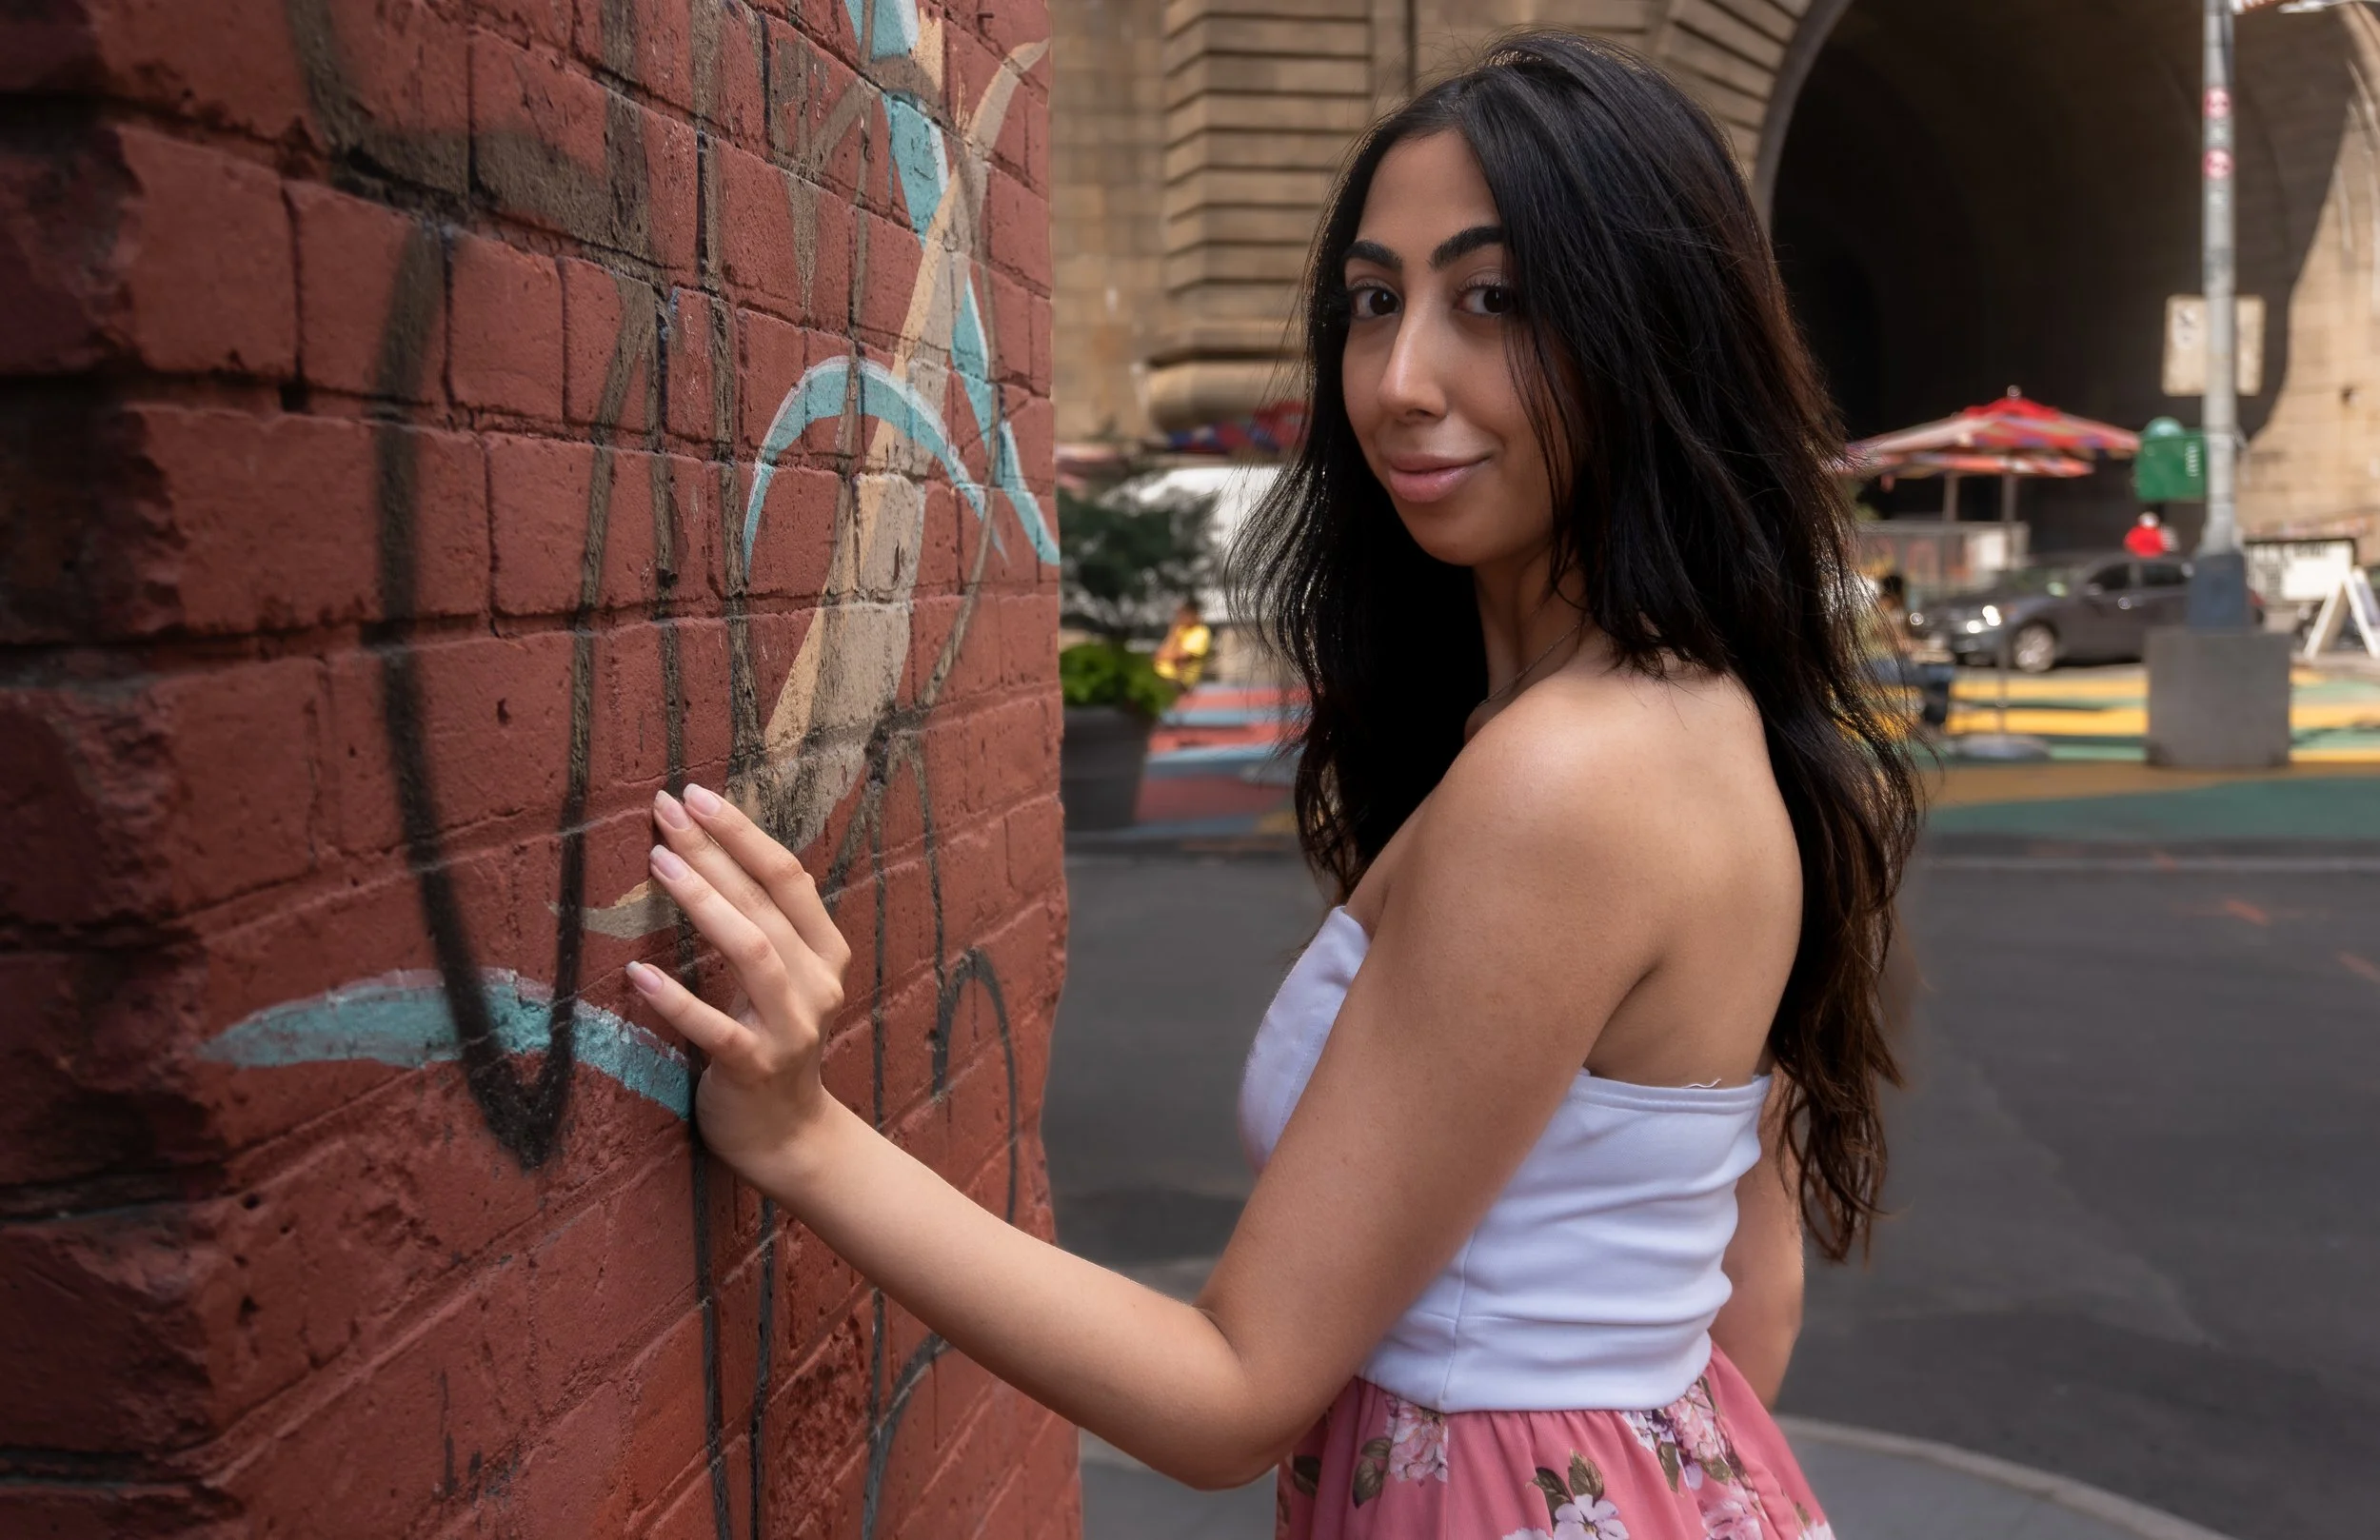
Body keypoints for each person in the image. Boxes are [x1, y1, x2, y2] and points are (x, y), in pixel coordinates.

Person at [624, 31, 1915, 1540]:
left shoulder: (1570, 778)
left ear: (1655, 333)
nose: (1401, 377)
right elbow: (1745, 1291)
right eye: (1376, 302)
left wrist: (801, 1134)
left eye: (1491, 301)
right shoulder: (1702, 712)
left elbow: (1231, 1390)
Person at [1154, 598, 1214, 690]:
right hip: (1162, 677)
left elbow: (1182, 656)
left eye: (1185, 614)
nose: (1182, 617)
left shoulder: (1201, 632)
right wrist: (1173, 631)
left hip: (1180, 682)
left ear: (1194, 614)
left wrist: (1168, 654)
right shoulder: (1180, 630)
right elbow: (1160, 653)